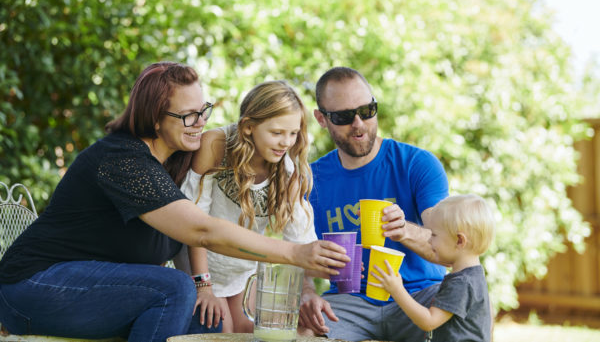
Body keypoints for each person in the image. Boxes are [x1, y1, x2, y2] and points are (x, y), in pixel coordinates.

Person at [0, 62, 350, 342]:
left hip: (94, 292)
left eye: (203, 111)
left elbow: (238, 143)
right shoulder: (123, 159)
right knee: (173, 288)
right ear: (154, 118)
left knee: (207, 324)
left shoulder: (179, 160)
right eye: (188, 116)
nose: (200, 124)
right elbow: (201, 230)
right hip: (34, 287)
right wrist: (292, 254)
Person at [299, 66, 449, 342]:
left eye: (366, 111)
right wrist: (307, 292)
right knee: (305, 329)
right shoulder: (310, 180)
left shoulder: (417, 164)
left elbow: (448, 246)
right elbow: (296, 254)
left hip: (420, 292)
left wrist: (404, 230)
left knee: (467, 302)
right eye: (344, 116)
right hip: (349, 298)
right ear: (321, 119)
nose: (358, 123)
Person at [178, 80, 317, 332]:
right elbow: (193, 223)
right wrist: (203, 286)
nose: (286, 142)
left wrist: (312, 289)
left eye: (293, 133)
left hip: (241, 272)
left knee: (272, 331)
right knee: (223, 331)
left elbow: (301, 243)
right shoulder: (216, 146)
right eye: (277, 133)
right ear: (249, 126)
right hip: (200, 265)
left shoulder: (287, 172)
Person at [369, 194, 495, 342]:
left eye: (434, 235)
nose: (428, 240)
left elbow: (428, 322)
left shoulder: (461, 283)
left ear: (459, 241)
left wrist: (397, 290)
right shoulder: (472, 276)